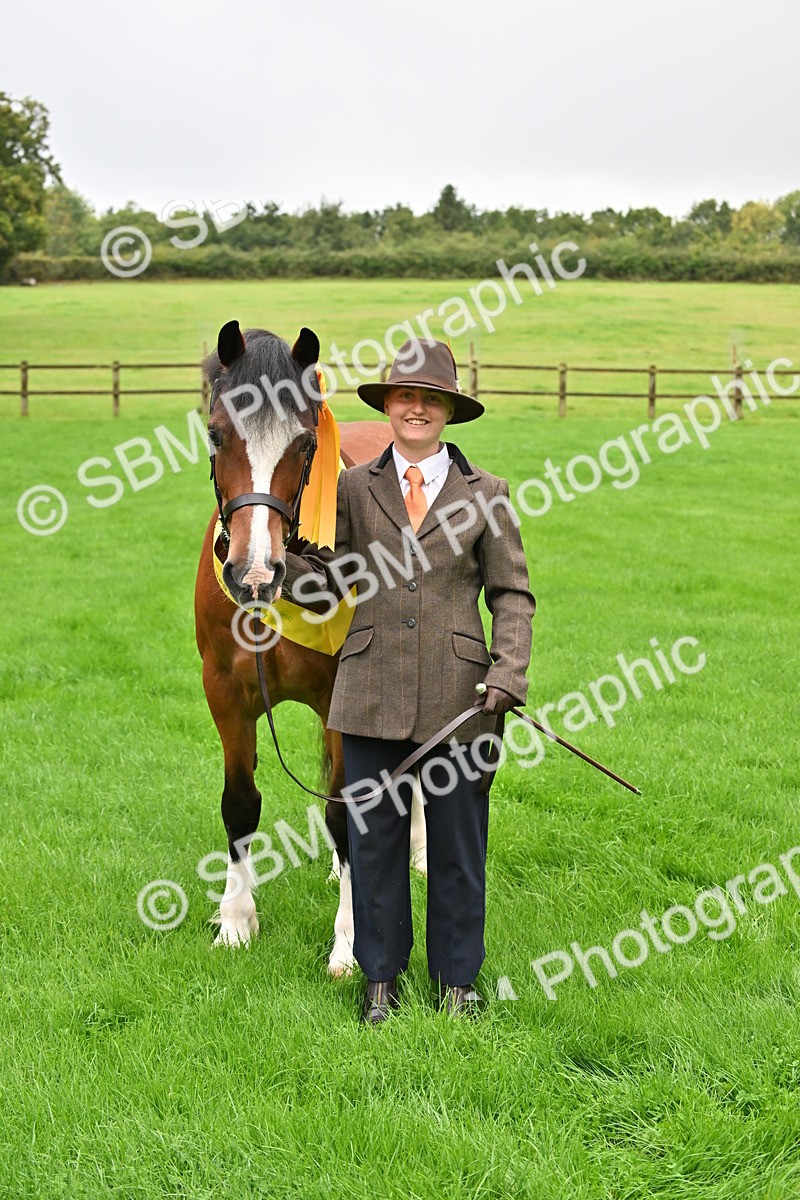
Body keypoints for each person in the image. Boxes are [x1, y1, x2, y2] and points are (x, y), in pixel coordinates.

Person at [283, 338, 535, 1023]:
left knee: (458, 850)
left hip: (464, 701)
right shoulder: (354, 489)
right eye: (404, 396)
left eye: (430, 399)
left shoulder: (488, 494)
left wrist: (509, 672)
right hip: (368, 692)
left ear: (449, 410)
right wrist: (277, 566)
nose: (416, 408)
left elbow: (513, 596)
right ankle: (380, 982)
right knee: (375, 847)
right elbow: (329, 583)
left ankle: (458, 983)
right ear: (388, 406)